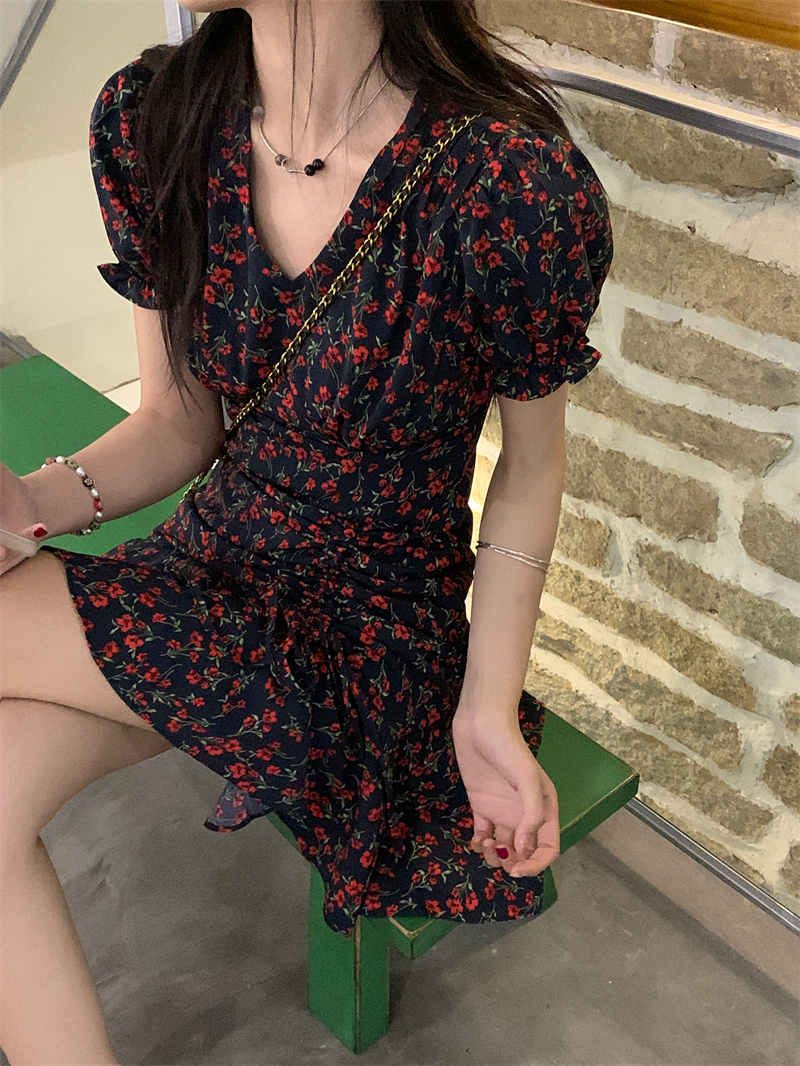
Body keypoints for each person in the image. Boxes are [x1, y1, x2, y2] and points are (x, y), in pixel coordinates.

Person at [0, 0, 612, 1062]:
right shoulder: (158, 120)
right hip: (212, 566)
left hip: (366, 629)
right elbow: (178, 421)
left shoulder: (504, 184)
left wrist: (484, 706)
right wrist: (33, 501)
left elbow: (531, 468)